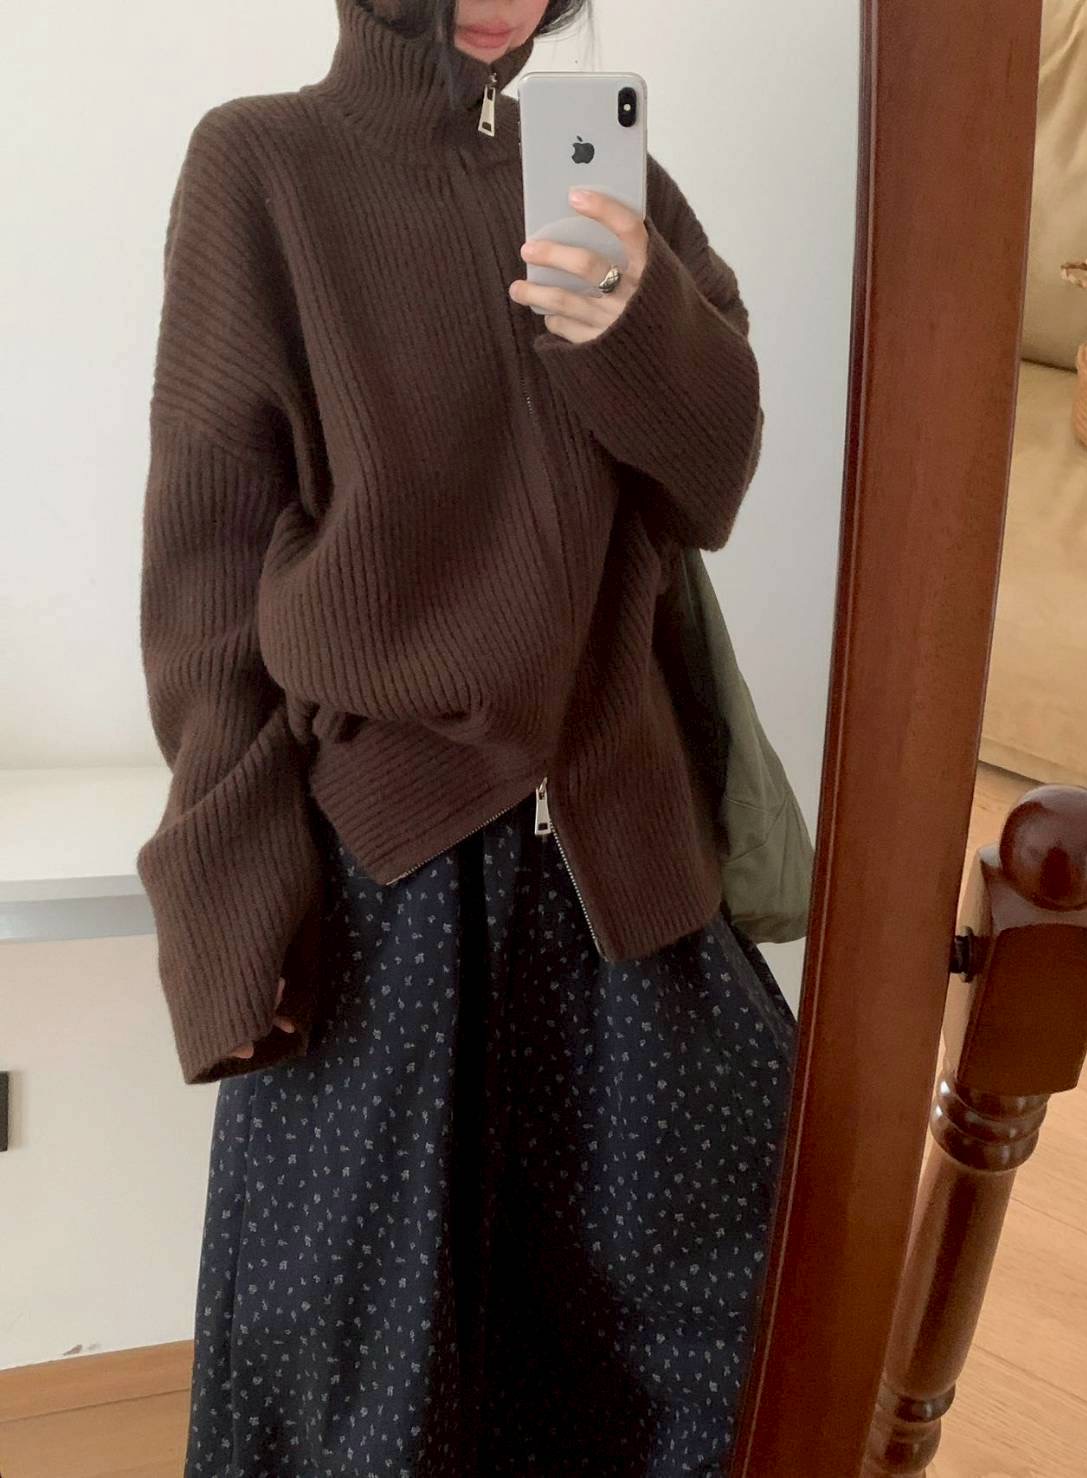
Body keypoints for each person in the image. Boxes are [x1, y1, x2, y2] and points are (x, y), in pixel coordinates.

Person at [136, 1, 796, 1472]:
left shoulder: (620, 184)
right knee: (364, 1392)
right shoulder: (261, 165)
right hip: (388, 883)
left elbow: (712, 481)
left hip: (623, 872)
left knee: (695, 1359)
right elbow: (209, 572)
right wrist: (225, 903)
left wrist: (633, 330)